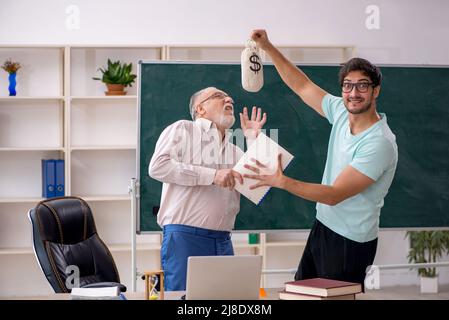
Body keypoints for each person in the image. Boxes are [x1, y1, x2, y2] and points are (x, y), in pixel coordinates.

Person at [245, 29, 398, 286]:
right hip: (324, 226)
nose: (353, 93)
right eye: (348, 86)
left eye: (362, 86)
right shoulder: (340, 110)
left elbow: (335, 194)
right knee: (301, 293)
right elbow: (301, 85)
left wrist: (282, 181)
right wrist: (267, 47)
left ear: (376, 91)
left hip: (351, 240)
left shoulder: (379, 143)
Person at [148, 87, 267, 290]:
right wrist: (212, 176)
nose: (228, 98)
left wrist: (253, 140)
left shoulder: (235, 151)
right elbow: (158, 167)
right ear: (200, 109)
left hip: (223, 240)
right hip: (185, 237)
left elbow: (260, 187)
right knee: (183, 302)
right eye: (219, 96)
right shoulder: (183, 129)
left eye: (229, 97)